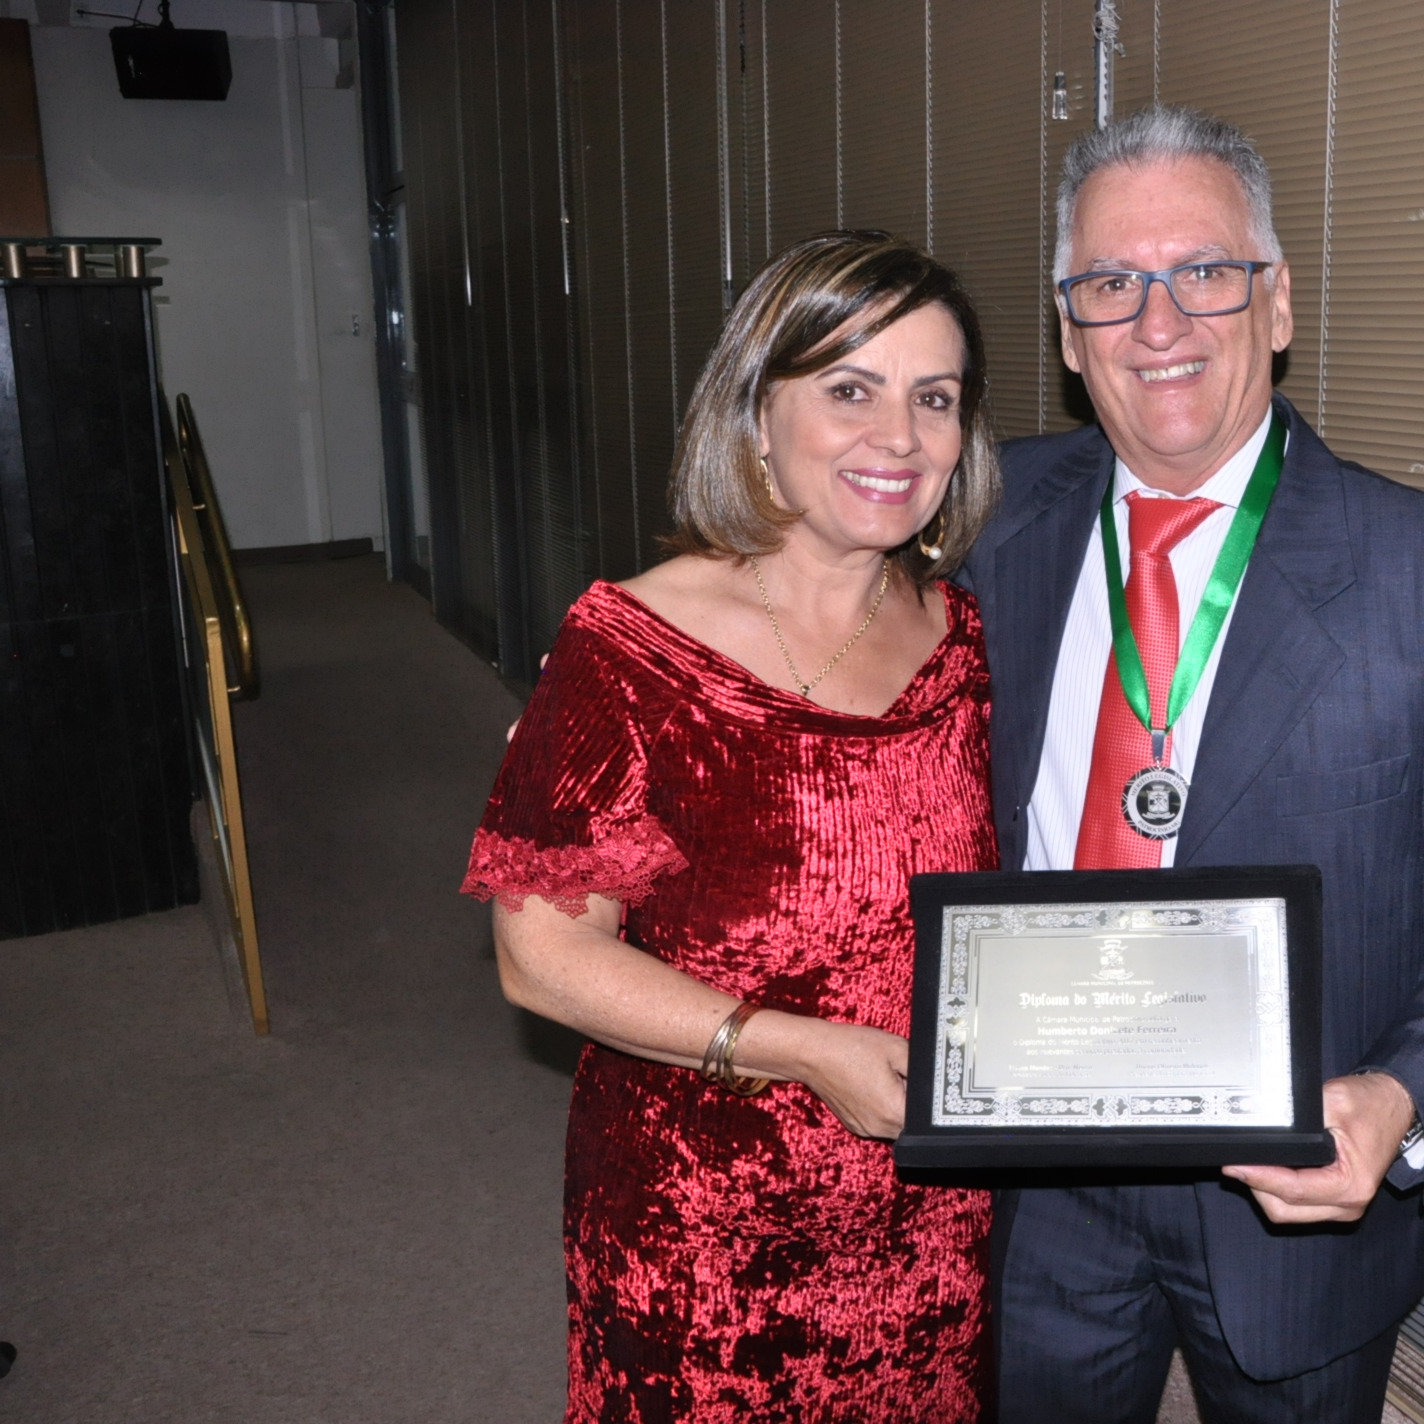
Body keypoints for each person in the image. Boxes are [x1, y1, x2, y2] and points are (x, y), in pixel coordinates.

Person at [968, 106, 1424, 1422]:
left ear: (1277, 301)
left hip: (1291, 1190)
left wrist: (1401, 1100)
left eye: (1204, 270)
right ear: (1069, 331)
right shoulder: (984, 516)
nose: (1158, 322)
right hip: (1037, 1164)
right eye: (1109, 283)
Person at [461, 232, 1003, 1422]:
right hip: (700, 1233)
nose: (899, 437)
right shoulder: (631, 648)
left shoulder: (960, 639)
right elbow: (538, 954)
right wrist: (800, 1047)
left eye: (934, 398)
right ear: (758, 415)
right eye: (849, 389)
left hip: (930, 1220)